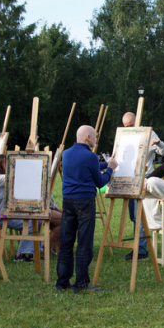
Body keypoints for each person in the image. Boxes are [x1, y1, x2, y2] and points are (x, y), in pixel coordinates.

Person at [56, 125, 118, 293]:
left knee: (66, 242)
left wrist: (107, 163)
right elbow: (100, 181)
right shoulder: (90, 156)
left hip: (68, 201)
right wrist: (110, 169)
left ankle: (62, 282)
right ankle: (81, 283)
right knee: (84, 243)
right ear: (88, 138)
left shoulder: (66, 154)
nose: (96, 139)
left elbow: (87, 166)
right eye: (95, 136)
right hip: (85, 202)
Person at [121, 112, 164, 261]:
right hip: (130, 179)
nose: (128, 128)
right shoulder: (126, 136)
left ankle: (141, 250)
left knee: (139, 215)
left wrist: (158, 143)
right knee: (133, 216)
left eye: (130, 126)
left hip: (144, 179)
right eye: (126, 126)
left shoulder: (148, 133)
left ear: (137, 122)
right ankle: (141, 245)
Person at [0, 154, 41, 262]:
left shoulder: (4, 177)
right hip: (2, 216)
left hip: (10, 214)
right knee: (33, 223)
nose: (11, 165)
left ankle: (34, 252)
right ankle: (21, 254)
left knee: (38, 220)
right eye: (7, 163)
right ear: (0, 165)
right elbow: (17, 176)